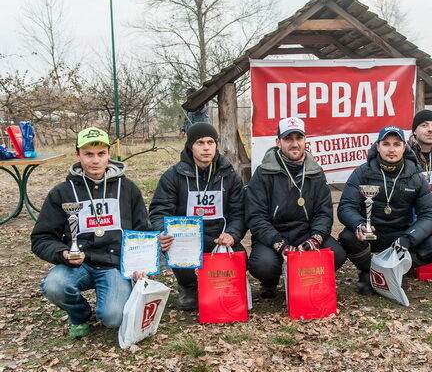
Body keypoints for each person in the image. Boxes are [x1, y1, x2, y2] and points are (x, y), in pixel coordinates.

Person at [31, 127, 151, 338]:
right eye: (88, 154)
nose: (95, 160)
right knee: (54, 285)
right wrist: (64, 254)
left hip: (114, 265)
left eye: (100, 154)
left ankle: (115, 297)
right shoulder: (62, 192)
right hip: (79, 265)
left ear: (109, 154)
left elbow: (142, 231)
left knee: (113, 318)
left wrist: (140, 266)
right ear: (77, 155)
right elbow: (42, 237)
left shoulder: (128, 189)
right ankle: (80, 315)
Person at [338, 125, 432, 295]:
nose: (391, 149)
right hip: (371, 234)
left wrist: (409, 238)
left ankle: (398, 269)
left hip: (401, 235)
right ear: (378, 146)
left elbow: (429, 214)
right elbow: (346, 206)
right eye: (386, 144)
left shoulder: (415, 176)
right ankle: (370, 271)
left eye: (397, 144)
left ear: (404, 147)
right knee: (347, 237)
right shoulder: (362, 172)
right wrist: (359, 224)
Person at [245, 117, 346, 298]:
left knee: (336, 254)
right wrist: (280, 245)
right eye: (288, 139)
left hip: (305, 233)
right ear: (278, 142)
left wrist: (314, 240)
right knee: (263, 265)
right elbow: (256, 216)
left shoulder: (316, 172)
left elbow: (324, 212)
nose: (294, 144)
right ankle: (270, 282)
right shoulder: (263, 173)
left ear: (305, 141)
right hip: (274, 237)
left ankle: (310, 276)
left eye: (298, 138)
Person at [149, 122, 246, 310]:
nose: (206, 147)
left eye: (210, 142)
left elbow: (239, 212)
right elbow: (159, 210)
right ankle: (189, 287)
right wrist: (162, 232)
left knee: (242, 257)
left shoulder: (229, 175)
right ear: (190, 146)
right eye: (200, 142)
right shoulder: (173, 176)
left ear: (216, 145)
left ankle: (221, 283)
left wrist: (232, 234)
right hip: (187, 239)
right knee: (174, 246)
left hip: (219, 237)